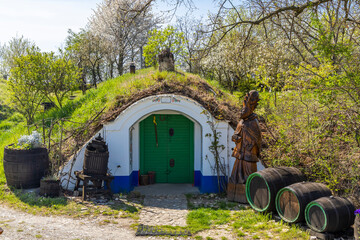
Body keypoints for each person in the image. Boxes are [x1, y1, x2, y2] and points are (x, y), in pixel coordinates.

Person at [229, 90, 261, 184]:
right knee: (237, 171)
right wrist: (235, 137)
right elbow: (235, 134)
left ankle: (250, 186)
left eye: (244, 111)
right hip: (240, 152)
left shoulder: (254, 122)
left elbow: (257, 139)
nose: (242, 113)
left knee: (249, 171)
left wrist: (251, 146)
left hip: (249, 152)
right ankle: (236, 184)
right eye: (242, 111)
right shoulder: (241, 122)